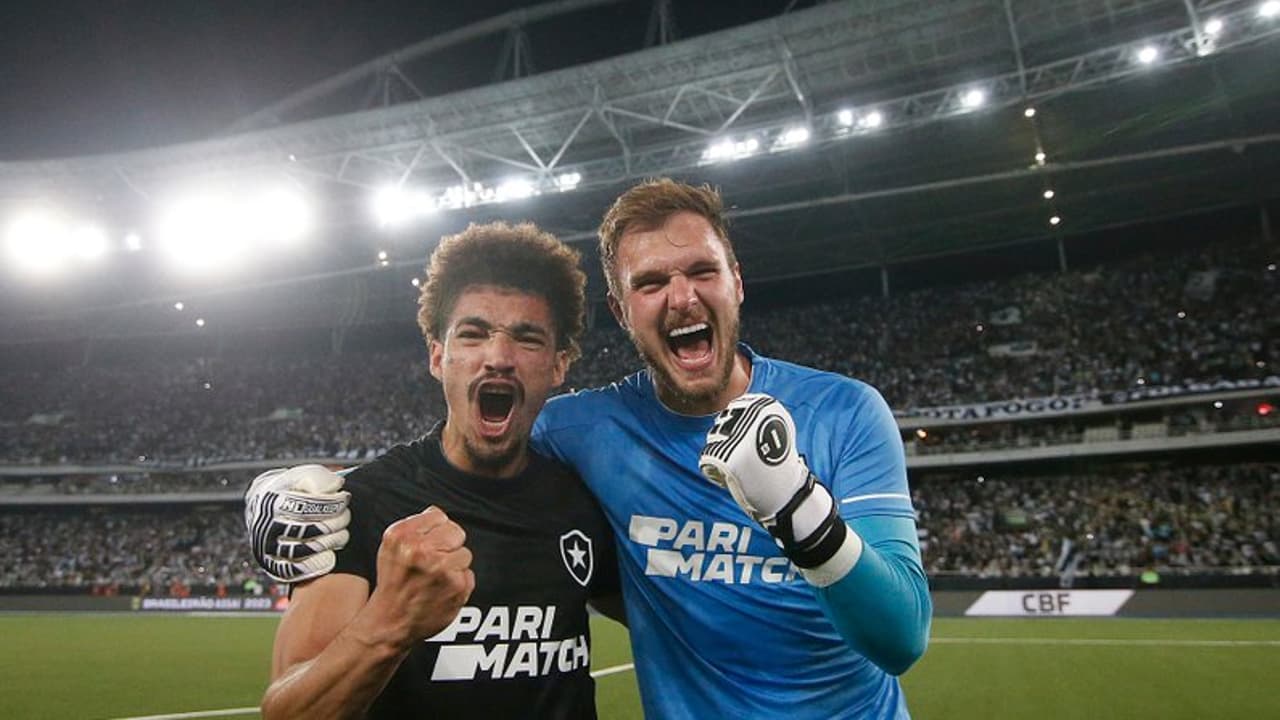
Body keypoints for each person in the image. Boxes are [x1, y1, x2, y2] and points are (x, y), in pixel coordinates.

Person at [249, 179, 932, 719]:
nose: (682, 296)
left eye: (702, 271)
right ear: (621, 308)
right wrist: (291, 488)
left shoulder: (845, 411)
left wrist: (796, 504)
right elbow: (449, 463)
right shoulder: (581, 433)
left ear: (737, 282)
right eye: (651, 282)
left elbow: (901, 639)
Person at [253, 222, 619, 719]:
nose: (498, 357)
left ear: (558, 366)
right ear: (438, 356)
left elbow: (680, 619)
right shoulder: (363, 505)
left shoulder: (585, 499)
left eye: (527, 338)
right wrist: (391, 622)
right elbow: (287, 711)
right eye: (473, 334)